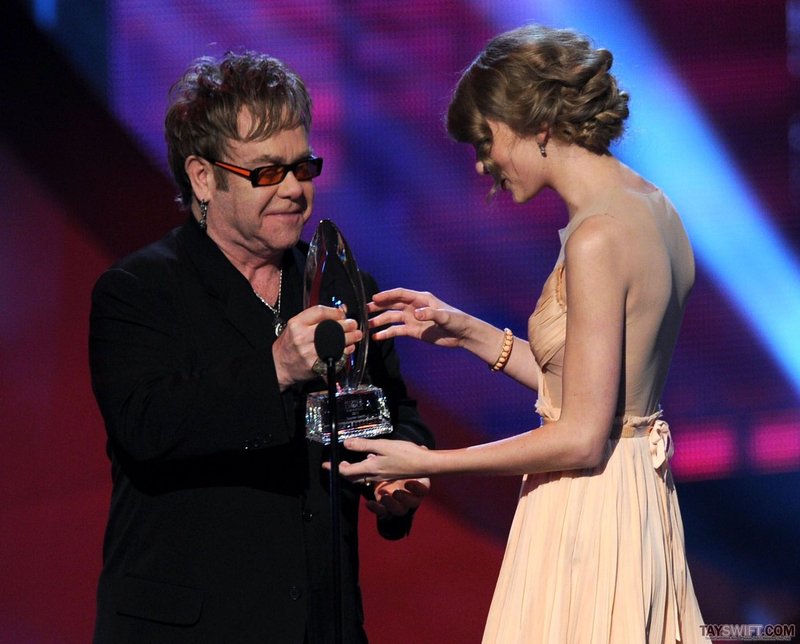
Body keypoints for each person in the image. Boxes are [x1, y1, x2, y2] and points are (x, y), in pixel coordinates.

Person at [336, 25, 705, 643]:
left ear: (535, 121)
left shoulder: (596, 238)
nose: (483, 163)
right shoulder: (654, 209)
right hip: (636, 499)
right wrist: (468, 332)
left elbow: (583, 437)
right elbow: (600, 391)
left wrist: (431, 462)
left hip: (588, 511)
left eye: (486, 140)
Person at [89, 51, 433, 643]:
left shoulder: (341, 285)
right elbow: (147, 425)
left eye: (304, 167)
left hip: (321, 627)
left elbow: (395, 414)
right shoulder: (139, 292)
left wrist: (397, 478)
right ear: (204, 177)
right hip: (189, 628)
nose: (296, 190)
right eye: (269, 173)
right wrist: (274, 368)